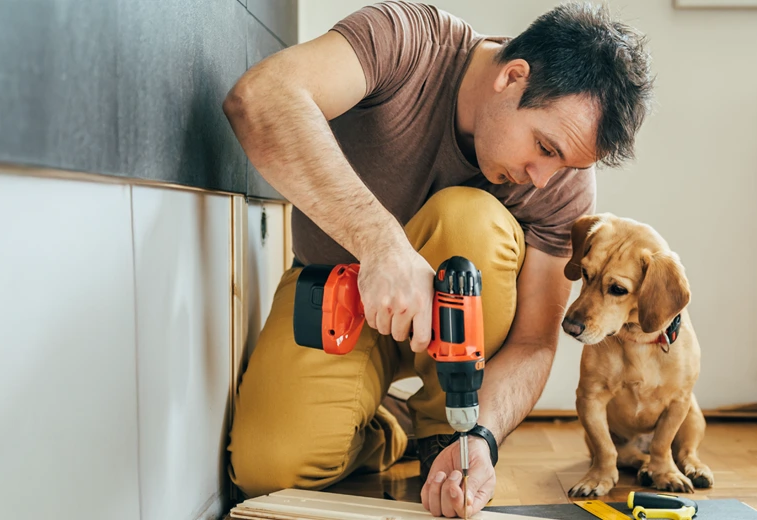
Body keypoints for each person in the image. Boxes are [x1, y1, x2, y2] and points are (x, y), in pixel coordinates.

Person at [221, 1, 653, 517]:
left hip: (459, 346)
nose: (543, 177)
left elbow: (535, 341)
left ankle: (445, 431)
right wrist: (382, 245)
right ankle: (390, 426)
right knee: (269, 469)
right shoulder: (405, 40)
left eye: (563, 163)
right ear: (513, 77)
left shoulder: (562, 182)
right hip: (337, 287)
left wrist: (484, 438)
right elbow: (260, 97)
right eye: (543, 146)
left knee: (470, 218)